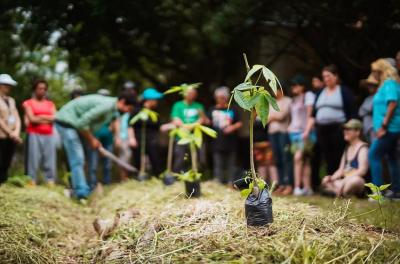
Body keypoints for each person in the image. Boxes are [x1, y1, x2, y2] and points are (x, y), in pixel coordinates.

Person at [55, 91, 135, 198]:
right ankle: (81, 192)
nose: (127, 112)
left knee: (81, 158)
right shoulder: (106, 106)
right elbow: (82, 123)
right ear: (122, 102)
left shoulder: (112, 110)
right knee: (78, 158)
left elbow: (90, 125)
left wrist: (95, 141)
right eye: (128, 109)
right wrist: (92, 140)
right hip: (66, 122)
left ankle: (80, 188)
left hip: (76, 125)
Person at [305, 64, 356, 177]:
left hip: (338, 128)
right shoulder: (320, 93)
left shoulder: (344, 91)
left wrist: (350, 129)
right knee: (326, 155)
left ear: (336, 76)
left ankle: (340, 179)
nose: (326, 79)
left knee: (338, 154)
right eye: (324, 76)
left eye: (328, 76)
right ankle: (330, 181)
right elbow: (313, 114)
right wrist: (307, 131)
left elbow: (351, 112)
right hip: (321, 129)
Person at [368, 58, 400, 200]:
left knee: (373, 155)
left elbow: (392, 104)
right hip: (390, 128)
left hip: (389, 128)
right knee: (391, 158)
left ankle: (377, 193)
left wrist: (384, 126)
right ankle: (396, 191)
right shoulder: (387, 85)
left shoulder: (389, 84)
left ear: (382, 71)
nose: (373, 74)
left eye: (375, 71)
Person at [321, 119, 368, 197]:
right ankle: (340, 192)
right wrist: (331, 178)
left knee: (355, 180)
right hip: (345, 181)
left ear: (357, 132)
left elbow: (362, 171)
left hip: (357, 181)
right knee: (326, 181)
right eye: (345, 129)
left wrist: (346, 179)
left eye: (349, 129)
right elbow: (341, 170)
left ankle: (338, 192)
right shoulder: (347, 148)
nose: (345, 131)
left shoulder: (363, 148)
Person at [23, 79, 57, 185]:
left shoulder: (50, 104)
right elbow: (32, 119)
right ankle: (31, 181)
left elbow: (55, 118)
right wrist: (47, 118)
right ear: (35, 89)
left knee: (50, 159)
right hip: (34, 134)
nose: (42, 91)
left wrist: (40, 116)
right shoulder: (28, 103)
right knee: (33, 158)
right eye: (40, 88)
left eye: (44, 89)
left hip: (49, 134)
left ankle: (50, 181)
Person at [207, 87, 242, 184]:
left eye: (222, 97)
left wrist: (232, 127)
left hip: (231, 141)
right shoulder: (212, 109)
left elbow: (239, 123)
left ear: (226, 97)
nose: (220, 99)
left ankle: (231, 182)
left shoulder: (233, 108)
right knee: (217, 163)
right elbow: (208, 122)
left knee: (231, 163)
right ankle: (218, 181)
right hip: (216, 141)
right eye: (218, 97)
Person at [288, 75, 316, 196]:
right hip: (293, 133)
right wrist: (289, 127)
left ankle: (297, 187)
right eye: (292, 85)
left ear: (302, 86)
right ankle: (307, 187)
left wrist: (307, 131)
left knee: (299, 158)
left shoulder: (308, 96)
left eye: (296, 85)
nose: (293, 87)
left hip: (304, 132)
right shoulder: (294, 99)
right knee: (303, 160)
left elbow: (311, 116)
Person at [170, 87, 207, 173]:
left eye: (194, 94)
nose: (192, 96)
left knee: (199, 157)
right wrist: (184, 126)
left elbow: (202, 118)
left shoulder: (198, 106)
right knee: (180, 157)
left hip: (196, 135)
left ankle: (195, 175)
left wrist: (192, 126)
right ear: (185, 94)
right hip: (181, 136)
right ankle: (177, 176)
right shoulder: (178, 105)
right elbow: (175, 118)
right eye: (190, 93)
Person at [131, 88, 164, 178]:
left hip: (152, 140)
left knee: (155, 159)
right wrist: (132, 138)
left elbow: (159, 127)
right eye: (155, 100)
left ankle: (157, 177)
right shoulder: (137, 110)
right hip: (139, 139)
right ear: (149, 100)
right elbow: (130, 125)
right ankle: (139, 177)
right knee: (138, 160)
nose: (157, 102)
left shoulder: (154, 112)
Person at [86, 89, 115, 189]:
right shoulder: (94, 108)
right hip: (94, 138)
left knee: (107, 164)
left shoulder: (111, 108)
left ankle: (107, 184)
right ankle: (92, 185)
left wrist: (113, 129)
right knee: (93, 164)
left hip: (108, 139)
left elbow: (115, 120)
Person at [268, 89, 293, 195]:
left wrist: (273, 117)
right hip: (272, 132)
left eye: (276, 89)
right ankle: (281, 184)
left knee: (285, 158)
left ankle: (289, 184)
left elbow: (282, 116)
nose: (275, 92)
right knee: (277, 158)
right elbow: (265, 118)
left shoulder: (288, 100)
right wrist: (274, 117)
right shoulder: (271, 101)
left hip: (283, 132)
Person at [0, 74, 22, 184]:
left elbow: (17, 117)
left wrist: (16, 132)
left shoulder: (11, 100)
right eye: (6, 85)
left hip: (12, 136)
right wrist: (10, 133)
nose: (8, 87)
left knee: (7, 161)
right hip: (2, 135)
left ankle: (4, 183)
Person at [358, 75, 379, 143]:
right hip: (366, 129)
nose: (369, 87)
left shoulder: (379, 97)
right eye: (369, 85)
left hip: (374, 128)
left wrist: (365, 110)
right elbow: (360, 112)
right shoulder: (368, 98)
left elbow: (369, 108)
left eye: (372, 85)